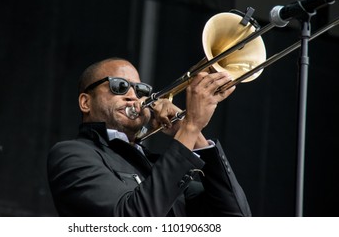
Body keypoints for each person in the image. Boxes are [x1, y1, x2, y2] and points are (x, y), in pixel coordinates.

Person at [47, 57, 251, 217]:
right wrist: (190, 126)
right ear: (85, 102)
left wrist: (193, 133)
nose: (133, 96)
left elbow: (235, 217)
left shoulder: (155, 166)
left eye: (140, 89)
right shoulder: (72, 154)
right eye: (119, 86)